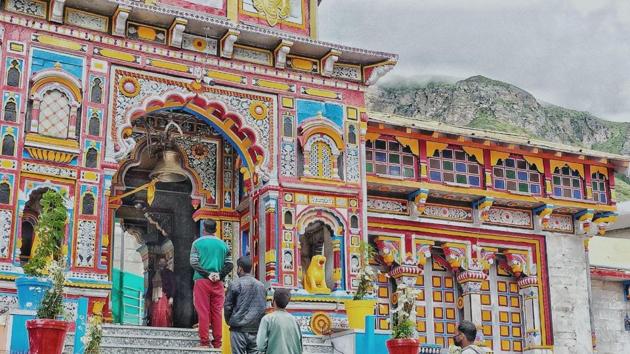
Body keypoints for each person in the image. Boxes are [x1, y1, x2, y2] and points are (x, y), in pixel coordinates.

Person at [190, 219, 233, 348]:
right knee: (217, 312)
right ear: (216, 229)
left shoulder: (197, 243)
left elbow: (194, 262)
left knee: (203, 311)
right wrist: (219, 275)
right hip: (218, 282)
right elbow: (230, 264)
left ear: (204, 229)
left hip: (202, 281)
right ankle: (218, 343)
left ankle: (204, 342)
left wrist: (207, 274)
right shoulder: (223, 245)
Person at [224, 256, 266, 354]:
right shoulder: (261, 285)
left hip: (238, 329)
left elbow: (227, 306)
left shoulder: (234, 284)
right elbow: (263, 308)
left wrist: (229, 321)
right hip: (255, 329)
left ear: (240, 268)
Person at [256, 288, 303, 354]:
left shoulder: (267, 319)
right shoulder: (294, 320)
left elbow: (260, 346)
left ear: (273, 300)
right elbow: (300, 347)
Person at [148, 256, 175, 327]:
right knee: (155, 313)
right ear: (158, 263)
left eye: (163, 262)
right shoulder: (154, 273)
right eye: (160, 262)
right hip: (154, 297)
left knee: (164, 313)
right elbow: (150, 286)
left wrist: (171, 297)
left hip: (165, 296)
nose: (162, 263)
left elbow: (173, 285)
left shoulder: (169, 273)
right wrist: (148, 298)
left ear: (166, 263)